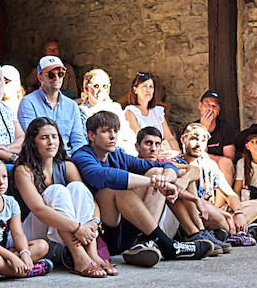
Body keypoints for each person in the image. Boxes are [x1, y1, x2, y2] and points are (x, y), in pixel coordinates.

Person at [70, 110, 211, 265]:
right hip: (101, 235)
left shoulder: (117, 155)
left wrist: (165, 179)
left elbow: (163, 164)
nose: (112, 136)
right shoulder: (82, 156)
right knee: (115, 190)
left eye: (115, 131)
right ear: (91, 136)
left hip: (127, 229)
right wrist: (152, 182)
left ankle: (145, 242)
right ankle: (167, 245)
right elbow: (102, 175)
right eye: (105, 132)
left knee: (156, 171)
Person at [15, 117, 115, 278]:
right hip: (32, 235)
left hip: (65, 236)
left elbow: (90, 202)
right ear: (33, 142)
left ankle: (92, 253)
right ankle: (79, 258)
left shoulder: (67, 166)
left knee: (77, 188)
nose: (51, 142)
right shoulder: (23, 171)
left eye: (54, 137)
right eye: (44, 137)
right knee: (57, 191)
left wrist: (93, 223)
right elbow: (38, 209)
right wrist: (77, 228)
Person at [173, 122, 257, 246]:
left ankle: (226, 233)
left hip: (212, 212)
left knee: (255, 206)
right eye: (194, 138)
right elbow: (185, 198)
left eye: (203, 140)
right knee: (215, 214)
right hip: (192, 215)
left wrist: (238, 213)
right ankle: (239, 233)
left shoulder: (208, 164)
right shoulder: (175, 163)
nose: (199, 144)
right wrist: (225, 214)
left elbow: (229, 194)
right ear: (183, 139)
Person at [17, 55, 87, 154]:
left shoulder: (72, 105)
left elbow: (79, 142)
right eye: (51, 75)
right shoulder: (28, 103)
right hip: (41, 159)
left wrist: (79, 160)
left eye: (61, 74)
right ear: (40, 77)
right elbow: (33, 140)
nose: (56, 78)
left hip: (68, 158)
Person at [78, 69, 134, 155]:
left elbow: (126, 134)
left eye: (104, 86)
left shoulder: (115, 108)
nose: (100, 90)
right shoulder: (81, 111)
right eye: (96, 86)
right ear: (86, 88)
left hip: (120, 151)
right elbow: (84, 139)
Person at [123, 72, 179, 156]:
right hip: (146, 156)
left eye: (151, 87)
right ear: (135, 89)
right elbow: (141, 138)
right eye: (144, 86)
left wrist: (178, 155)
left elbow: (170, 138)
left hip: (164, 153)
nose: (148, 90)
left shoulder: (157, 111)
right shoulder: (131, 111)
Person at [196, 90, 237, 184]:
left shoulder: (225, 129)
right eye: (207, 104)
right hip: (199, 167)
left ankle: (221, 199)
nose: (210, 109)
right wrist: (204, 130)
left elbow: (229, 160)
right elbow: (195, 156)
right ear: (200, 106)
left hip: (220, 169)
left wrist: (206, 157)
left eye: (214, 106)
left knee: (225, 163)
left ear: (218, 111)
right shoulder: (192, 128)